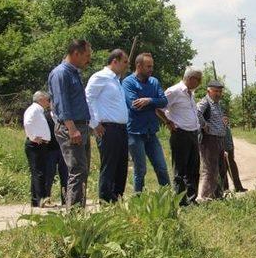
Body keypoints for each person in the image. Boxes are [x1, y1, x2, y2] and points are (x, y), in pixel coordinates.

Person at [47, 39, 92, 209]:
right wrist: (72, 129)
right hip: (71, 128)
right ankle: (74, 215)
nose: (88, 60)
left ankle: (79, 211)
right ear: (76, 53)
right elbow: (61, 103)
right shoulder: (61, 73)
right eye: (86, 56)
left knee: (83, 170)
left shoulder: (74, 72)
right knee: (77, 170)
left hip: (81, 126)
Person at [86, 49, 130, 203]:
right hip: (107, 128)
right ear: (115, 61)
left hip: (121, 129)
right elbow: (88, 98)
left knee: (121, 164)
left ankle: (117, 197)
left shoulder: (116, 80)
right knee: (110, 164)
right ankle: (105, 199)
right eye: (125, 62)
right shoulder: (100, 77)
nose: (127, 66)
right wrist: (94, 123)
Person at [122, 52, 170, 193]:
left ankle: (168, 197)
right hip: (135, 133)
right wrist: (153, 102)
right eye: (148, 66)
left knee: (161, 166)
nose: (151, 69)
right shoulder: (128, 82)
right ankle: (139, 200)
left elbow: (164, 101)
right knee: (140, 170)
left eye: (152, 66)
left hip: (151, 132)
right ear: (139, 66)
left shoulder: (154, 82)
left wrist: (148, 100)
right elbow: (134, 105)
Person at [161, 67, 202, 205]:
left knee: (193, 168)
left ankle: (192, 199)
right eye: (198, 80)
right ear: (191, 79)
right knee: (180, 169)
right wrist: (168, 121)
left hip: (192, 133)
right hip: (180, 133)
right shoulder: (174, 91)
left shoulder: (190, 93)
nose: (199, 83)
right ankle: (180, 201)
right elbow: (159, 107)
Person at [197, 79, 227, 200]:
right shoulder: (205, 102)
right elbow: (196, 112)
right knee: (209, 169)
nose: (218, 93)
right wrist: (204, 125)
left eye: (220, 91)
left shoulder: (217, 104)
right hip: (209, 139)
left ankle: (217, 195)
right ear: (208, 91)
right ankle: (205, 197)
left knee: (220, 168)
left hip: (219, 139)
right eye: (216, 91)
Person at [23, 91, 52, 207]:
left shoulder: (38, 110)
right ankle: (41, 200)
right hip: (35, 145)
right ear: (40, 99)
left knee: (38, 172)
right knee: (39, 172)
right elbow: (27, 123)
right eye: (47, 100)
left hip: (40, 144)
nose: (48, 102)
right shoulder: (34, 109)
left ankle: (36, 200)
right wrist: (34, 137)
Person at [44, 107, 68, 206]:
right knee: (49, 175)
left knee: (65, 175)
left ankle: (66, 200)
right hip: (50, 151)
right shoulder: (45, 117)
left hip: (64, 149)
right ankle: (46, 198)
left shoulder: (65, 117)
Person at [219, 116, 247, 193]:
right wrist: (223, 150)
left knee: (233, 170)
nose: (225, 121)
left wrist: (232, 150)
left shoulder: (227, 128)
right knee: (223, 170)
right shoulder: (220, 129)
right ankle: (225, 189)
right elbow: (219, 140)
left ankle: (238, 187)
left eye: (226, 119)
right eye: (224, 119)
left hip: (230, 151)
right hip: (224, 152)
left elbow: (230, 140)